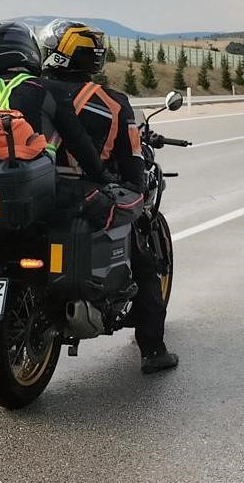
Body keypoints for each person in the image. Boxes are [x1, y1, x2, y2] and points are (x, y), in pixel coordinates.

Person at [39, 19, 179, 374]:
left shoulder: (30, 91)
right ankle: (153, 350)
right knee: (145, 265)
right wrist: (134, 189)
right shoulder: (111, 102)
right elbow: (131, 158)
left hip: (32, 193)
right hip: (84, 196)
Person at [0, 21, 112, 185]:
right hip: (38, 183)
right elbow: (78, 142)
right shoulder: (50, 89)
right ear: (28, 48)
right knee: (110, 204)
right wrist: (105, 179)